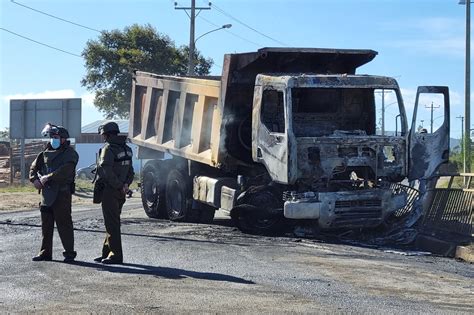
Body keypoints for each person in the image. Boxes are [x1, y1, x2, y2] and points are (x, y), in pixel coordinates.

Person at [29, 123, 79, 263]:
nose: (53, 139)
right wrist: (34, 180)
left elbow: (65, 171)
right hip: (46, 194)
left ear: (63, 138)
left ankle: (69, 253)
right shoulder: (45, 152)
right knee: (46, 225)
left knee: (64, 224)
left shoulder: (70, 153)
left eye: (56, 137)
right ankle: (45, 252)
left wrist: (47, 177)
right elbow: (33, 167)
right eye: (52, 137)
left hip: (62, 194)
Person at [93, 121, 134, 264]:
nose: (103, 137)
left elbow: (106, 171)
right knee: (112, 222)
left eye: (104, 135)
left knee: (112, 224)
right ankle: (107, 252)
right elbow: (131, 171)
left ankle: (116, 255)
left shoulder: (108, 149)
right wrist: (125, 185)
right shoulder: (127, 149)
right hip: (121, 191)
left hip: (110, 191)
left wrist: (118, 186)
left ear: (107, 135)